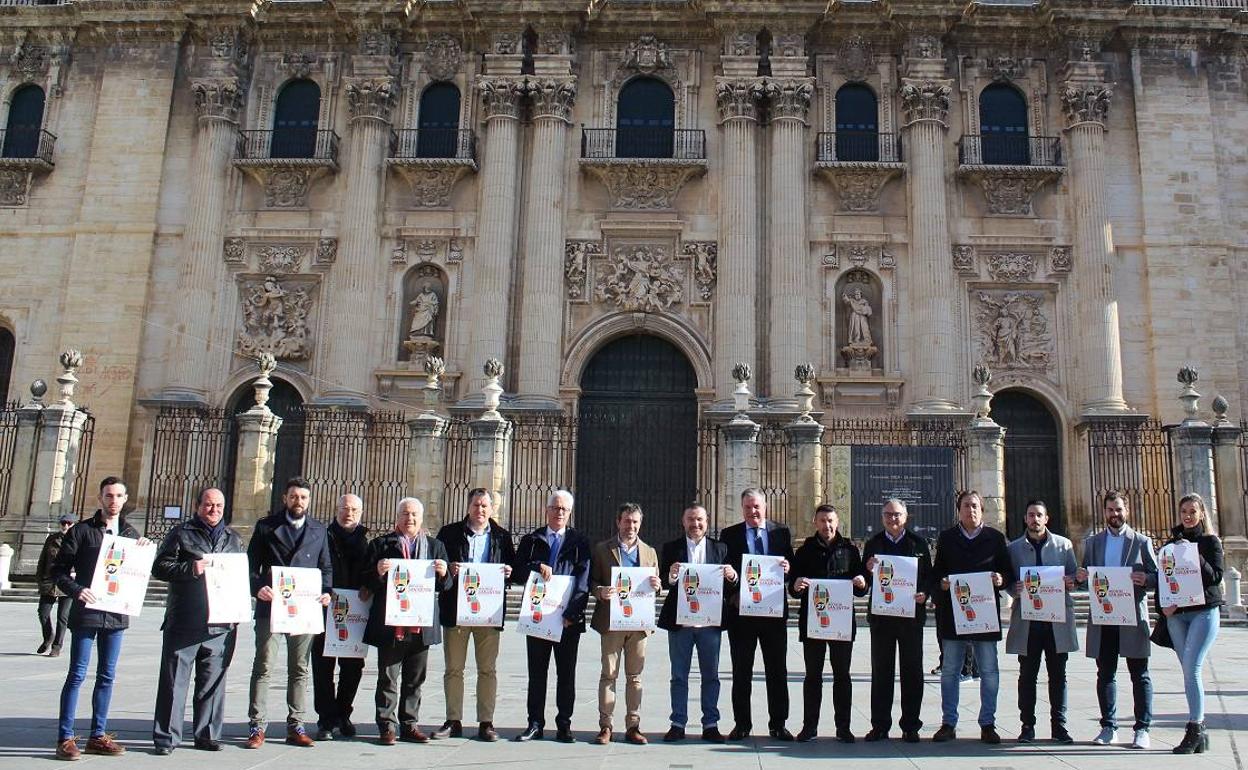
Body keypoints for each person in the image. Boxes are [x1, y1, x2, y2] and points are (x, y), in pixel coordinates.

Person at [51, 476, 151, 761]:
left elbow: (138, 574)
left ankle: (98, 735)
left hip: (116, 615)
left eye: (119, 496)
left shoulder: (131, 534)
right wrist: (77, 589)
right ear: (100, 498)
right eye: (109, 496)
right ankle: (65, 737)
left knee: (107, 676)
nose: (114, 501)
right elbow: (58, 571)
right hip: (87, 613)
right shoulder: (82, 531)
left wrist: (144, 553)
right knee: (77, 674)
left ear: (125, 499)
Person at [150, 488, 245, 755]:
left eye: (218, 505)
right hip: (185, 619)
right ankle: (166, 737)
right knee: (174, 681)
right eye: (208, 505)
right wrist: (191, 568)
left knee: (213, 682)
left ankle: (207, 734)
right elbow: (160, 567)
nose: (213, 510)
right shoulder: (181, 534)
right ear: (197, 506)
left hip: (221, 622)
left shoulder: (233, 539)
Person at [245, 477, 333, 749]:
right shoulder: (266, 527)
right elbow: (250, 567)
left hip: (304, 609)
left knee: (300, 668)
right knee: (264, 666)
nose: (298, 502)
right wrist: (258, 588)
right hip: (271, 606)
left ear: (309, 500)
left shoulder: (319, 530)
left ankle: (296, 724)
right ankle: (257, 725)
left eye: (303, 497)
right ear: (285, 498)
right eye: (294, 496)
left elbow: (325, 567)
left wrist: (327, 591)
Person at [360, 497, 451, 745]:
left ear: (421, 518)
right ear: (397, 517)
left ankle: (409, 724)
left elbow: (447, 587)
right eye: (404, 514)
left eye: (413, 514)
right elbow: (366, 582)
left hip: (421, 625)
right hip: (391, 623)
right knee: (388, 677)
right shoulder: (381, 545)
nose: (409, 518)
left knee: (415, 678)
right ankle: (387, 725)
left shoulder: (435, 547)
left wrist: (443, 575)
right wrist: (377, 571)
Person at [1075, 490, 1158, 749]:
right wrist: (1080, 577)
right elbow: (1086, 578)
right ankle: (1109, 726)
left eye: (1119, 509)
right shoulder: (1093, 543)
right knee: (1106, 673)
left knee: (1140, 674)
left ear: (1127, 511)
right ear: (1104, 512)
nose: (1115, 514)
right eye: (1110, 510)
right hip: (1104, 616)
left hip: (1132, 614)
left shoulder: (1142, 542)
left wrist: (1147, 579)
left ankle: (1142, 728)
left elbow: (1157, 576)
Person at [931, 490, 1011, 744]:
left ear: (982, 509)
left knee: (989, 671)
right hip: (955, 614)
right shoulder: (947, 538)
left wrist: (1001, 579)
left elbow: (1007, 572)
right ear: (959, 509)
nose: (971, 510)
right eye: (966, 506)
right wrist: (941, 584)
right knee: (950, 670)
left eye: (975, 506)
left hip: (985, 614)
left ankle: (988, 723)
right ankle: (948, 722)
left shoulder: (996, 538)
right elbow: (937, 571)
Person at [435, 488, 515, 742]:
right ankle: (453, 719)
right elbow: (437, 567)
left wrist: (510, 572)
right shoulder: (448, 534)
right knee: (453, 668)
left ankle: (486, 722)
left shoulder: (502, 537)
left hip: (489, 613)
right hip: (457, 610)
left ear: (492, 509)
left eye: (484, 506)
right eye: (476, 505)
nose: (480, 510)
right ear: (468, 506)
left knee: (487, 669)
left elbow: (514, 569)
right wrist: (448, 568)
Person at [511, 490, 591, 743]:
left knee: (566, 674)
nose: (559, 513)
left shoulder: (579, 542)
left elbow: (584, 579)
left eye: (564, 509)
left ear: (570, 513)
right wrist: (535, 566)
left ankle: (564, 724)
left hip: (568, 619)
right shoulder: (532, 540)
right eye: (555, 508)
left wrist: (573, 613)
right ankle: (534, 722)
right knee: (537, 673)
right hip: (538, 616)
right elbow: (516, 573)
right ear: (547, 510)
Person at [720, 488, 795, 741]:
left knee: (777, 671)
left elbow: (791, 570)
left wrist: (787, 568)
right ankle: (742, 724)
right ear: (742, 509)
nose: (753, 511)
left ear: (765, 507)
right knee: (741, 671)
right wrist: (732, 585)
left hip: (773, 613)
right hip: (741, 614)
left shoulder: (780, 533)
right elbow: (726, 574)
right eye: (748, 507)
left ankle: (778, 724)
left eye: (757, 506)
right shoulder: (729, 535)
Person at [658, 503, 735, 743]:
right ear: (683, 522)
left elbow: (731, 584)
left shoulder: (720, 549)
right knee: (678, 675)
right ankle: (678, 722)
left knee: (710, 674)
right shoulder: (672, 548)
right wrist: (671, 575)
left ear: (707, 522)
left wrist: (732, 576)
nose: (696, 524)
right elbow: (663, 580)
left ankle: (710, 723)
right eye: (691, 519)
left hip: (709, 623)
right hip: (681, 622)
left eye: (700, 519)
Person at [790, 504, 867, 743]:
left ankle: (843, 727)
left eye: (831, 520)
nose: (827, 525)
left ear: (837, 522)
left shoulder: (850, 551)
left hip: (842, 624)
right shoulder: (804, 551)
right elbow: (795, 587)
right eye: (822, 521)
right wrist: (796, 585)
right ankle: (809, 726)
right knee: (812, 676)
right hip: (813, 623)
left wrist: (862, 582)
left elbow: (861, 589)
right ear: (815, 522)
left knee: (842, 675)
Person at [1005, 500, 1077, 744]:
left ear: (1047, 518)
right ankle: (1027, 725)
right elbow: (1007, 580)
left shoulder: (1064, 545)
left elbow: (1074, 576)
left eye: (1039, 515)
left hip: (1056, 621)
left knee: (1059, 675)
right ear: (1025, 519)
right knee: (1027, 675)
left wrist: (1071, 581)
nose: (1035, 519)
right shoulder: (1014, 549)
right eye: (1031, 515)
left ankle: (1059, 725)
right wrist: (1012, 587)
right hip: (1028, 620)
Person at [861, 498, 932, 743]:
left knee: (912, 672)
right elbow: (864, 581)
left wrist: (925, 593)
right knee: (881, 672)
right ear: (882, 517)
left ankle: (910, 725)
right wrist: (867, 570)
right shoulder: (873, 543)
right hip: (882, 619)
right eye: (888, 514)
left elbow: (928, 577)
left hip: (911, 618)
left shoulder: (919, 544)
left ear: (906, 516)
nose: (893, 519)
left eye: (897, 514)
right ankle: (880, 725)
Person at [1156, 493, 1223, 754]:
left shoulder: (1210, 542)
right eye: (1184, 511)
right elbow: (1165, 576)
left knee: (1192, 669)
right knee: (1187, 671)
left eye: (1193, 511)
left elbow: (1215, 577)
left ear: (1202, 514)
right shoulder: (1171, 544)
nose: (1187, 515)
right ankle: (1201, 734)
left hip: (1203, 612)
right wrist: (1164, 605)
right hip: (1177, 615)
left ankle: (1195, 727)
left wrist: (1193, 553)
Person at [590, 502, 660, 745]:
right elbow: (593, 581)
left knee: (635, 676)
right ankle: (605, 725)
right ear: (618, 522)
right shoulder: (602, 550)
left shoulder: (649, 552)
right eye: (627, 521)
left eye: (635, 522)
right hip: (611, 621)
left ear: (640, 524)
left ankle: (633, 725)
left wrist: (657, 586)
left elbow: (657, 583)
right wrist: (600, 591)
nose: (631, 526)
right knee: (608, 674)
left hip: (639, 623)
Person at [311, 494, 370, 740]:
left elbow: (370, 572)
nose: (349, 514)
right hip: (325, 608)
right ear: (336, 510)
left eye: (354, 510)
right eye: (345, 509)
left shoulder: (365, 542)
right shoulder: (321, 537)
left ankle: (344, 713)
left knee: (353, 666)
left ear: (361, 513)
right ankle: (326, 718)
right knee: (323, 665)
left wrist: (369, 586)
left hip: (355, 611)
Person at [36, 514, 76, 657]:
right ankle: (48, 637)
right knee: (43, 613)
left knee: (62, 617)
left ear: (73, 525)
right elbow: (43, 560)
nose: (65, 526)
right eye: (63, 523)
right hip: (49, 582)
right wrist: (39, 579)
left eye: (69, 523)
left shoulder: (78, 540)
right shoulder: (52, 539)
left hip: (68, 584)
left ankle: (57, 646)